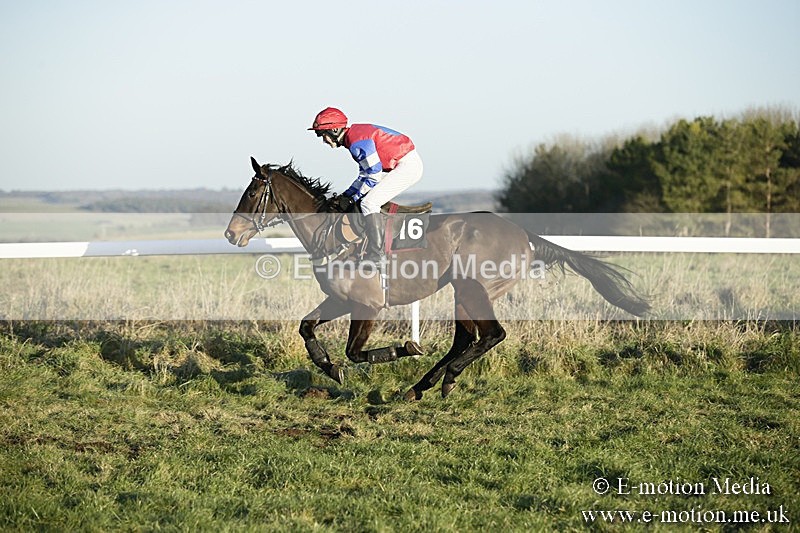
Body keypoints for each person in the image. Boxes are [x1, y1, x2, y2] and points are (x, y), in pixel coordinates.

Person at [308, 107, 423, 265]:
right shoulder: (354, 138)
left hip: (406, 166)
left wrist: (352, 198)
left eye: (323, 135)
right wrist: (347, 195)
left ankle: (378, 254)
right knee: (365, 199)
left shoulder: (356, 142)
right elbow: (364, 175)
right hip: (399, 164)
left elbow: (373, 175)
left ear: (334, 130)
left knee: (369, 203)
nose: (324, 141)